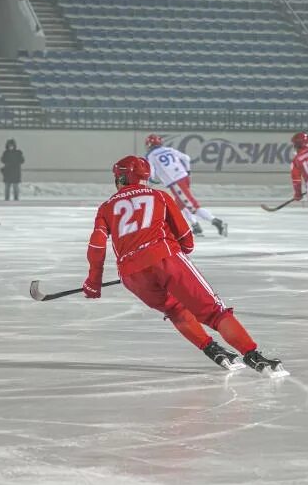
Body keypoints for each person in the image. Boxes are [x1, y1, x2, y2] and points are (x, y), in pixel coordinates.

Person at [82, 155, 287, 376]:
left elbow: (97, 245)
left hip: (131, 273)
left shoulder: (106, 207)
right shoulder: (159, 195)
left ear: (121, 178)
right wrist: (181, 253)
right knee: (214, 312)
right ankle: (254, 357)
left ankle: (213, 351)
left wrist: (94, 281)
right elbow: (185, 235)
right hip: (166, 257)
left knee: (175, 310)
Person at [144, 134, 227, 237]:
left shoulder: (150, 155)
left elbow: (151, 171)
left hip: (175, 182)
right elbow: (186, 158)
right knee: (180, 205)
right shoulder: (169, 149)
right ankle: (195, 226)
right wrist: (188, 171)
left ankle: (217, 222)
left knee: (193, 207)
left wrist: (150, 181)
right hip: (184, 177)